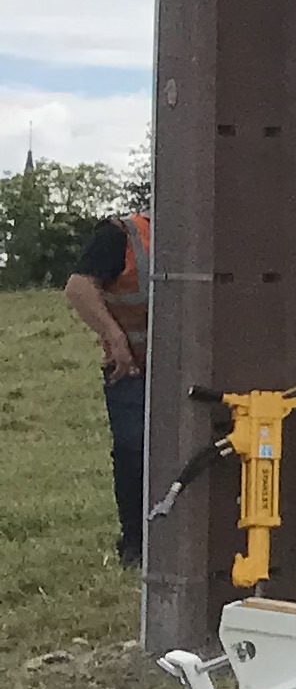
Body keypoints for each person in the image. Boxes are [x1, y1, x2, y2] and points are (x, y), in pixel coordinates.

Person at [58, 207, 151, 569]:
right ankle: (135, 545)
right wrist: (115, 339)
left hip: (190, 372)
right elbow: (78, 288)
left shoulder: (214, 236)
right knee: (134, 452)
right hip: (132, 371)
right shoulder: (120, 235)